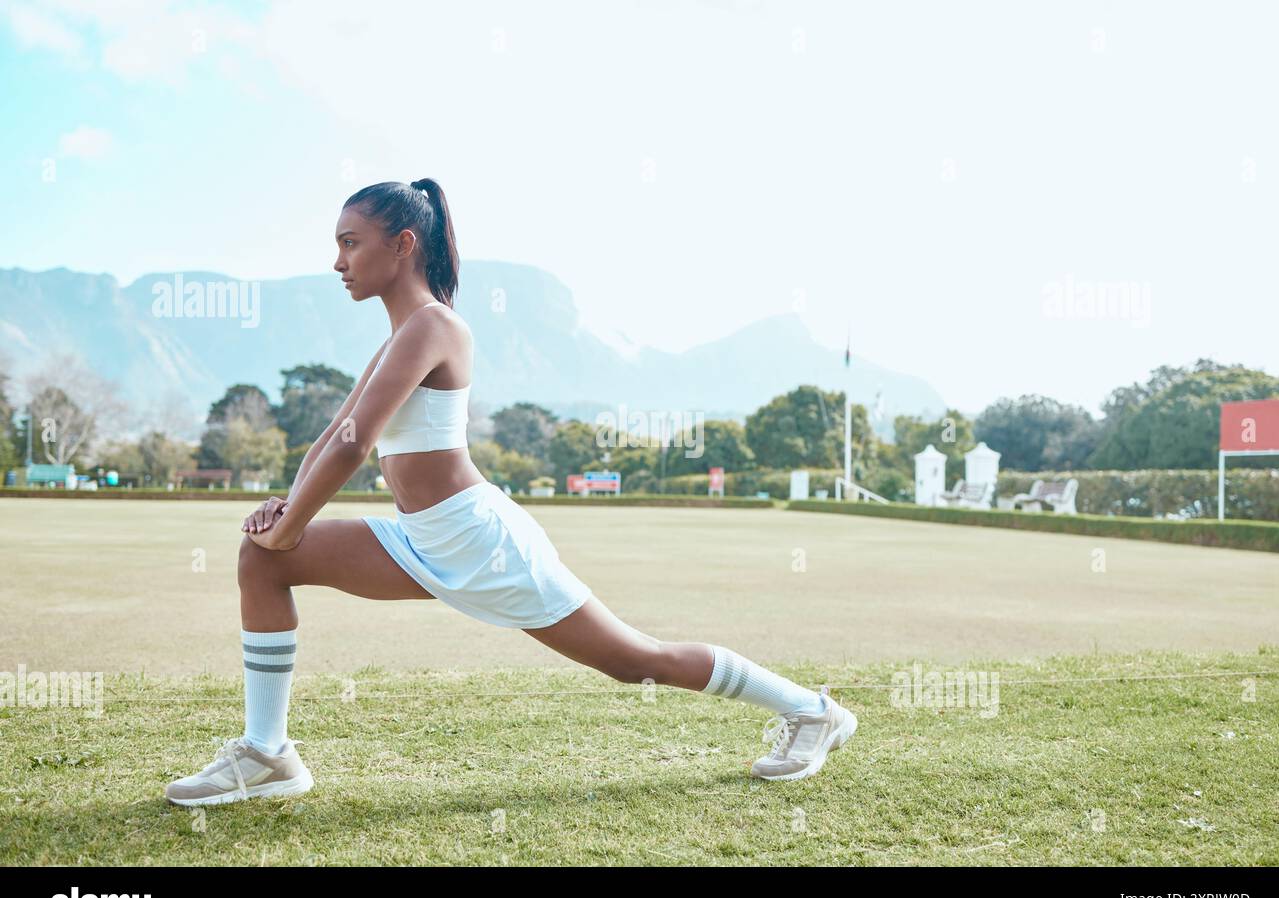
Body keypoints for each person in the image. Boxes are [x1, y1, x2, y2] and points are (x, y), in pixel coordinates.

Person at [164, 179, 856, 806]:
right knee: (264, 559)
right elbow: (336, 432)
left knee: (633, 660)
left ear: (402, 245)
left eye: (350, 243)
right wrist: (283, 518)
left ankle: (812, 710)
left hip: (480, 542)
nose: (338, 261)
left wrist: (292, 522)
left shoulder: (433, 325)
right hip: (420, 539)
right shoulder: (402, 333)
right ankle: (268, 753)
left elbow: (353, 445)